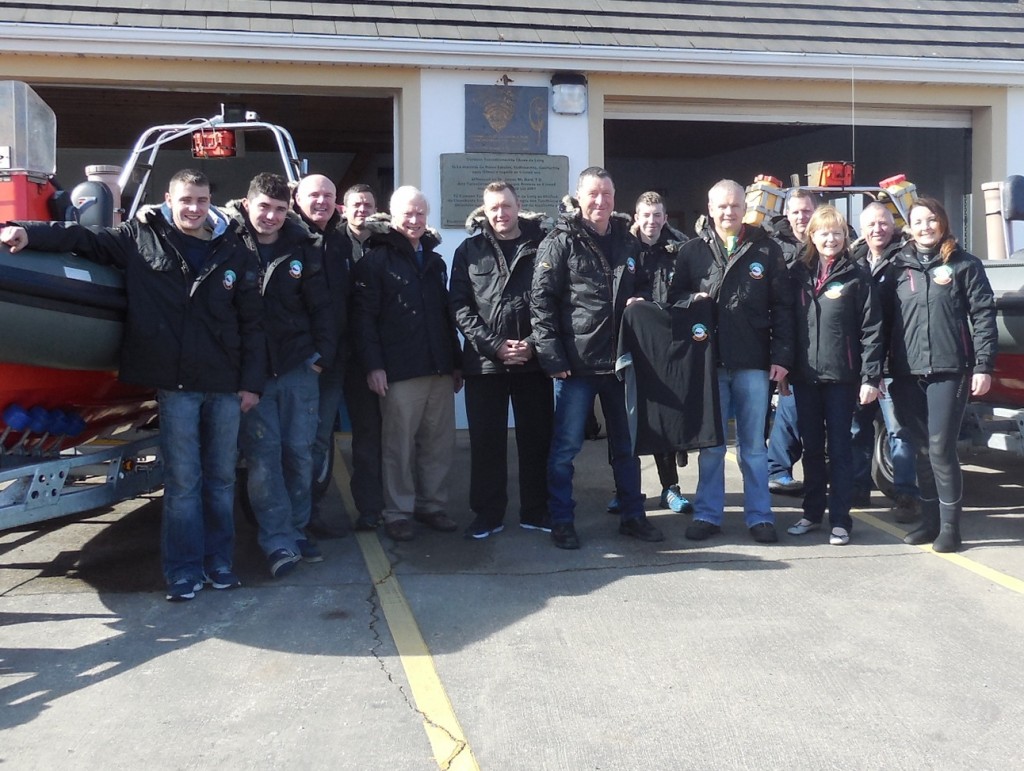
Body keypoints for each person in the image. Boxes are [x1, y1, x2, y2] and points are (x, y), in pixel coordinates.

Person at [1, 169, 265, 601]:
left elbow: (252, 324)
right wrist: (26, 233)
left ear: (210, 201)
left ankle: (219, 563)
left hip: (223, 383)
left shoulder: (234, 249)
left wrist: (251, 383)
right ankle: (182, 571)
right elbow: (82, 239)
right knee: (183, 482)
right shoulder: (141, 236)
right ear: (169, 199)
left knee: (219, 480)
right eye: (186, 200)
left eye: (201, 200)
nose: (193, 208)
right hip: (175, 384)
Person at [531, 166, 661, 550]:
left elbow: (641, 287)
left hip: (620, 364)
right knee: (566, 449)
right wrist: (553, 357)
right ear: (579, 196)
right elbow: (541, 301)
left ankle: (633, 516)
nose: (600, 201)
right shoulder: (561, 240)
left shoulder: (626, 239)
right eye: (592, 194)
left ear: (614, 197)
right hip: (577, 365)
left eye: (606, 194)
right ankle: (562, 520)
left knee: (626, 447)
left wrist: (641, 302)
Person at [668, 179, 794, 543]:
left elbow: (783, 308)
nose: (728, 212)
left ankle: (760, 517)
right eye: (722, 206)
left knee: (754, 447)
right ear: (710, 208)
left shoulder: (767, 250)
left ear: (745, 208)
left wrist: (782, 356)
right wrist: (693, 299)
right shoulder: (691, 251)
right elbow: (674, 299)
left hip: (753, 362)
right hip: (709, 364)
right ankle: (708, 514)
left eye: (735, 206)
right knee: (712, 446)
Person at [228, 172, 335, 578]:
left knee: (299, 452)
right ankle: (276, 541)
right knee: (263, 458)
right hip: (252, 374)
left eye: (278, 209)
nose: (270, 216)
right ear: (247, 203)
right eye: (263, 208)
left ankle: (296, 527)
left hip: (297, 367)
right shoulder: (229, 243)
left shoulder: (304, 246)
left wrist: (320, 357)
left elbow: (322, 306)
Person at [884, 197, 997, 552]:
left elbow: (983, 317)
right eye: (918, 221)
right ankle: (929, 523)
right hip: (906, 372)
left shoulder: (964, 264)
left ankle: (951, 528)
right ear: (909, 228)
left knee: (940, 449)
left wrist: (983, 365)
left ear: (943, 223)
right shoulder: (896, 269)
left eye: (931, 220)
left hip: (950, 370)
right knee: (919, 449)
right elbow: (882, 323)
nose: (925, 227)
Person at [353, 186, 463, 542]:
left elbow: (446, 316)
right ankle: (398, 512)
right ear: (392, 216)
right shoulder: (375, 260)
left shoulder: (434, 260)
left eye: (420, 214)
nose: (414, 221)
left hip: (439, 367)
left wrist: (456, 362)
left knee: (438, 443)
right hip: (399, 369)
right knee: (398, 446)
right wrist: (374, 365)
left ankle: (432, 505)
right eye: (407, 214)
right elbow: (364, 318)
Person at [450, 181, 553, 539]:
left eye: (506, 206)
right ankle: (488, 514)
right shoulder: (468, 251)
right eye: (493, 207)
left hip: (533, 361)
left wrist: (532, 344)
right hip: (485, 364)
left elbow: (552, 299)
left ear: (518, 205)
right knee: (487, 442)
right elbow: (460, 307)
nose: (500, 213)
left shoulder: (543, 246)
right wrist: (494, 345)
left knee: (537, 440)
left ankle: (536, 510)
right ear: (484, 210)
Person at [783, 206, 883, 545]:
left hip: (843, 377)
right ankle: (812, 513)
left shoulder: (858, 276)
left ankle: (840, 520)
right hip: (805, 376)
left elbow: (872, 330)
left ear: (845, 237)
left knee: (840, 449)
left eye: (837, 233)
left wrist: (870, 377)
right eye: (824, 232)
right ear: (812, 235)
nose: (830, 238)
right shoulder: (797, 273)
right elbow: (787, 324)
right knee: (811, 448)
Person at [848, 202, 919, 519]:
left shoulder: (907, 260)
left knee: (899, 432)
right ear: (862, 230)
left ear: (893, 226)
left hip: (893, 365)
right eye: (871, 224)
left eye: (883, 223)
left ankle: (906, 495)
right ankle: (858, 490)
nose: (878, 229)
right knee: (856, 431)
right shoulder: (853, 263)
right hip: (860, 364)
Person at [293, 173, 351, 539]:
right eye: (314, 194)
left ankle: (310, 515)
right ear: (297, 198)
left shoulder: (340, 242)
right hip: (298, 363)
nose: (321, 201)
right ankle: (291, 524)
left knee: (318, 442)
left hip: (332, 362)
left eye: (328, 196)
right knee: (294, 442)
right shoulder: (286, 238)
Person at [630, 191, 693, 514]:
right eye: (645, 215)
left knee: (665, 420)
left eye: (657, 216)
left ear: (665, 218)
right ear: (635, 217)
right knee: (627, 421)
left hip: (668, 344)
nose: (651, 222)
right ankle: (625, 491)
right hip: (630, 345)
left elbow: (691, 288)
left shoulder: (681, 248)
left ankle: (670, 488)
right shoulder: (622, 248)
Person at [339, 184, 387, 531]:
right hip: (330, 355)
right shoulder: (327, 242)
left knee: (370, 438)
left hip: (367, 356)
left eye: (367, 205)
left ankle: (371, 508)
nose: (361, 210)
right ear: (344, 208)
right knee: (315, 441)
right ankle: (309, 516)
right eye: (356, 204)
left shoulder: (387, 245)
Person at [767, 189, 818, 495]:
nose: (802, 217)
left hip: (822, 338)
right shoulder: (773, 247)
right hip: (789, 340)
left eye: (807, 211)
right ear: (787, 214)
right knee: (791, 407)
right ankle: (778, 470)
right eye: (796, 211)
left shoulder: (829, 239)